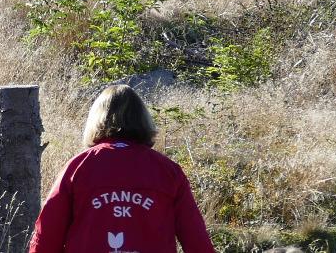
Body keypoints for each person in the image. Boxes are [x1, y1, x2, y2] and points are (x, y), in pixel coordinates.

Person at [28, 86, 215, 253]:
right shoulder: (168, 171)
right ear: (142, 120)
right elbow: (196, 241)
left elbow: (46, 237)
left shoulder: (78, 167)